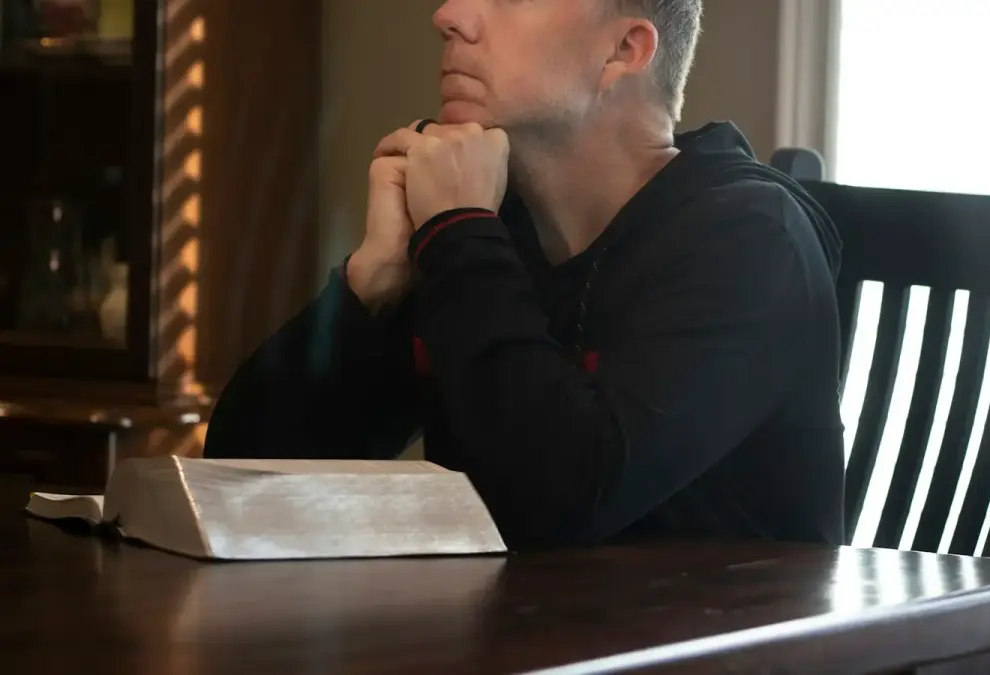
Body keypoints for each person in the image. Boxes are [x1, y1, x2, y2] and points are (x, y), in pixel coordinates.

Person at [204, 0, 845, 550]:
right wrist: (370, 286)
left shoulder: (750, 237)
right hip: (517, 642)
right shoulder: (488, 229)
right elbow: (241, 478)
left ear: (623, 50)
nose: (448, 15)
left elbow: (555, 505)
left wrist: (458, 231)